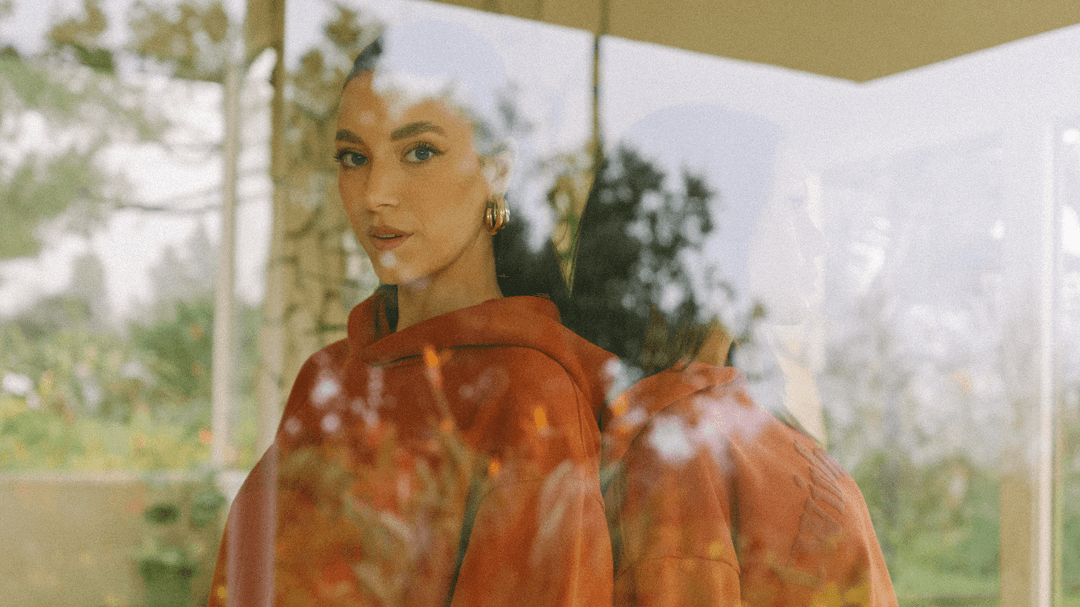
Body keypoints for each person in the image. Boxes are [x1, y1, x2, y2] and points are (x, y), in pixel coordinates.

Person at [207, 21, 615, 607]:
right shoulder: (327, 377)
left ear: (497, 171)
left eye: (420, 152)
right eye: (354, 157)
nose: (375, 192)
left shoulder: (530, 396)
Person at [563, 105, 899, 606]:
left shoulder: (719, 421)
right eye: (792, 205)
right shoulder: (678, 455)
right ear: (714, 231)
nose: (817, 241)